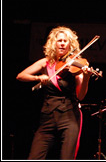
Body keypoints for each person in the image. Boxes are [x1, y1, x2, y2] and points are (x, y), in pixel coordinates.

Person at [16, 26, 93, 159]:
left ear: (70, 44)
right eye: (59, 40)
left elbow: (80, 96)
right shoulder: (45, 63)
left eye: (65, 41)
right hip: (47, 115)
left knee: (67, 157)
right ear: (54, 44)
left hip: (69, 116)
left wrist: (86, 77)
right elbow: (21, 76)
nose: (62, 43)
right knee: (34, 157)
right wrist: (38, 78)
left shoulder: (75, 65)